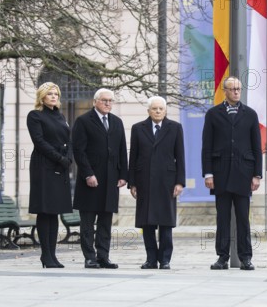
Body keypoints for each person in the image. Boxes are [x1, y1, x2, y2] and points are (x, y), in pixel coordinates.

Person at [202, 76, 262, 270]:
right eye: (232, 89)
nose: (236, 91)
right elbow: (207, 146)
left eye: (238, 88)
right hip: (220, 174)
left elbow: (256, 145)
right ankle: (222, 257)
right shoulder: (213, 114)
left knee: (243, 218)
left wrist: (257, 174)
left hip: (244, 174)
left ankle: (246, 258)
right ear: (225, 91)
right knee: (223, 218)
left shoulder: (251, 114)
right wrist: (208, 173)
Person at [72, 88, 128, 269]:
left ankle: (103, 256)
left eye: (110, 101)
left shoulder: (117, 122)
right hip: (90, 180)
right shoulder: (83, 121)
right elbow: (78, 151)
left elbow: (121, 150)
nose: (108, 103)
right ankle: (90, 257)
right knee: (88, 222)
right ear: (95, 101)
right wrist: (88, 173)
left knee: (105, 221)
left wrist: (123, 175)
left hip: (111, 180)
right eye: (104, 100)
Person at [128, 96, 185, 270]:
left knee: (166, 222)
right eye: (155, 109)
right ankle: (151, 259)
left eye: (161, 108)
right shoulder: (138, 128)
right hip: (144, 181)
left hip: (167, 182)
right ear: (149, 111)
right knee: (147, 223)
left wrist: (180, 182)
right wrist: (132, 183)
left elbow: (180, 157)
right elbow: (134, 157)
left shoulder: (175, 128)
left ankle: (165, 259)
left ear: (165, 110)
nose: (158, 111)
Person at [27, 82, 73, 268]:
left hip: (60, 166)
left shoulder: (61, 116)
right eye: (49, 94)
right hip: (43, 166)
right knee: (44, 211)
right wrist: (60, 158)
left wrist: (68, 157)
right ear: (42, 97)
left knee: (54, 212)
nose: (54, 97)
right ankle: (46, 255)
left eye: (56, 94)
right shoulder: (35, 115)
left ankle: (52, 255)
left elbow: (68, 140)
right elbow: (39, 142)